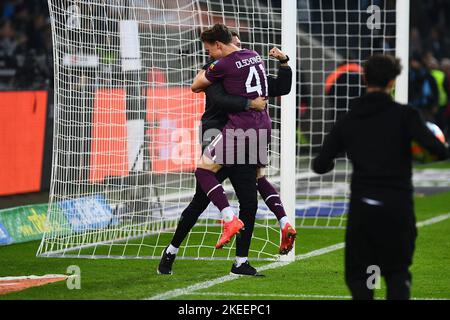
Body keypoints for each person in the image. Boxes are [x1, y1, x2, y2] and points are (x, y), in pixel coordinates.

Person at [157, 28, 295, 276]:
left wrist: (284, 65)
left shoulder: (238, 67)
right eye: (235, 41)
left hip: (241, 136)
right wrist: (249, 103)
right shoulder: (216, 71)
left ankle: (241, 261)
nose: (239, 45)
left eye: (240, 42)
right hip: (217, 134)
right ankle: (171, 251)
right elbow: (220, 100)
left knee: (249, 201)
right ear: (220, 46)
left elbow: (274, 87)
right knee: (199, 202)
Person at [312, 54, 449, 300]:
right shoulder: (406, 116)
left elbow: (320, 165)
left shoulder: (349, 119)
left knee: (361, 277)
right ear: (393, 82)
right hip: (397, 206)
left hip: (363, 208)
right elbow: (439, 151)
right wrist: (416, 154)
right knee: (397, 273)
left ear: (365, 79)